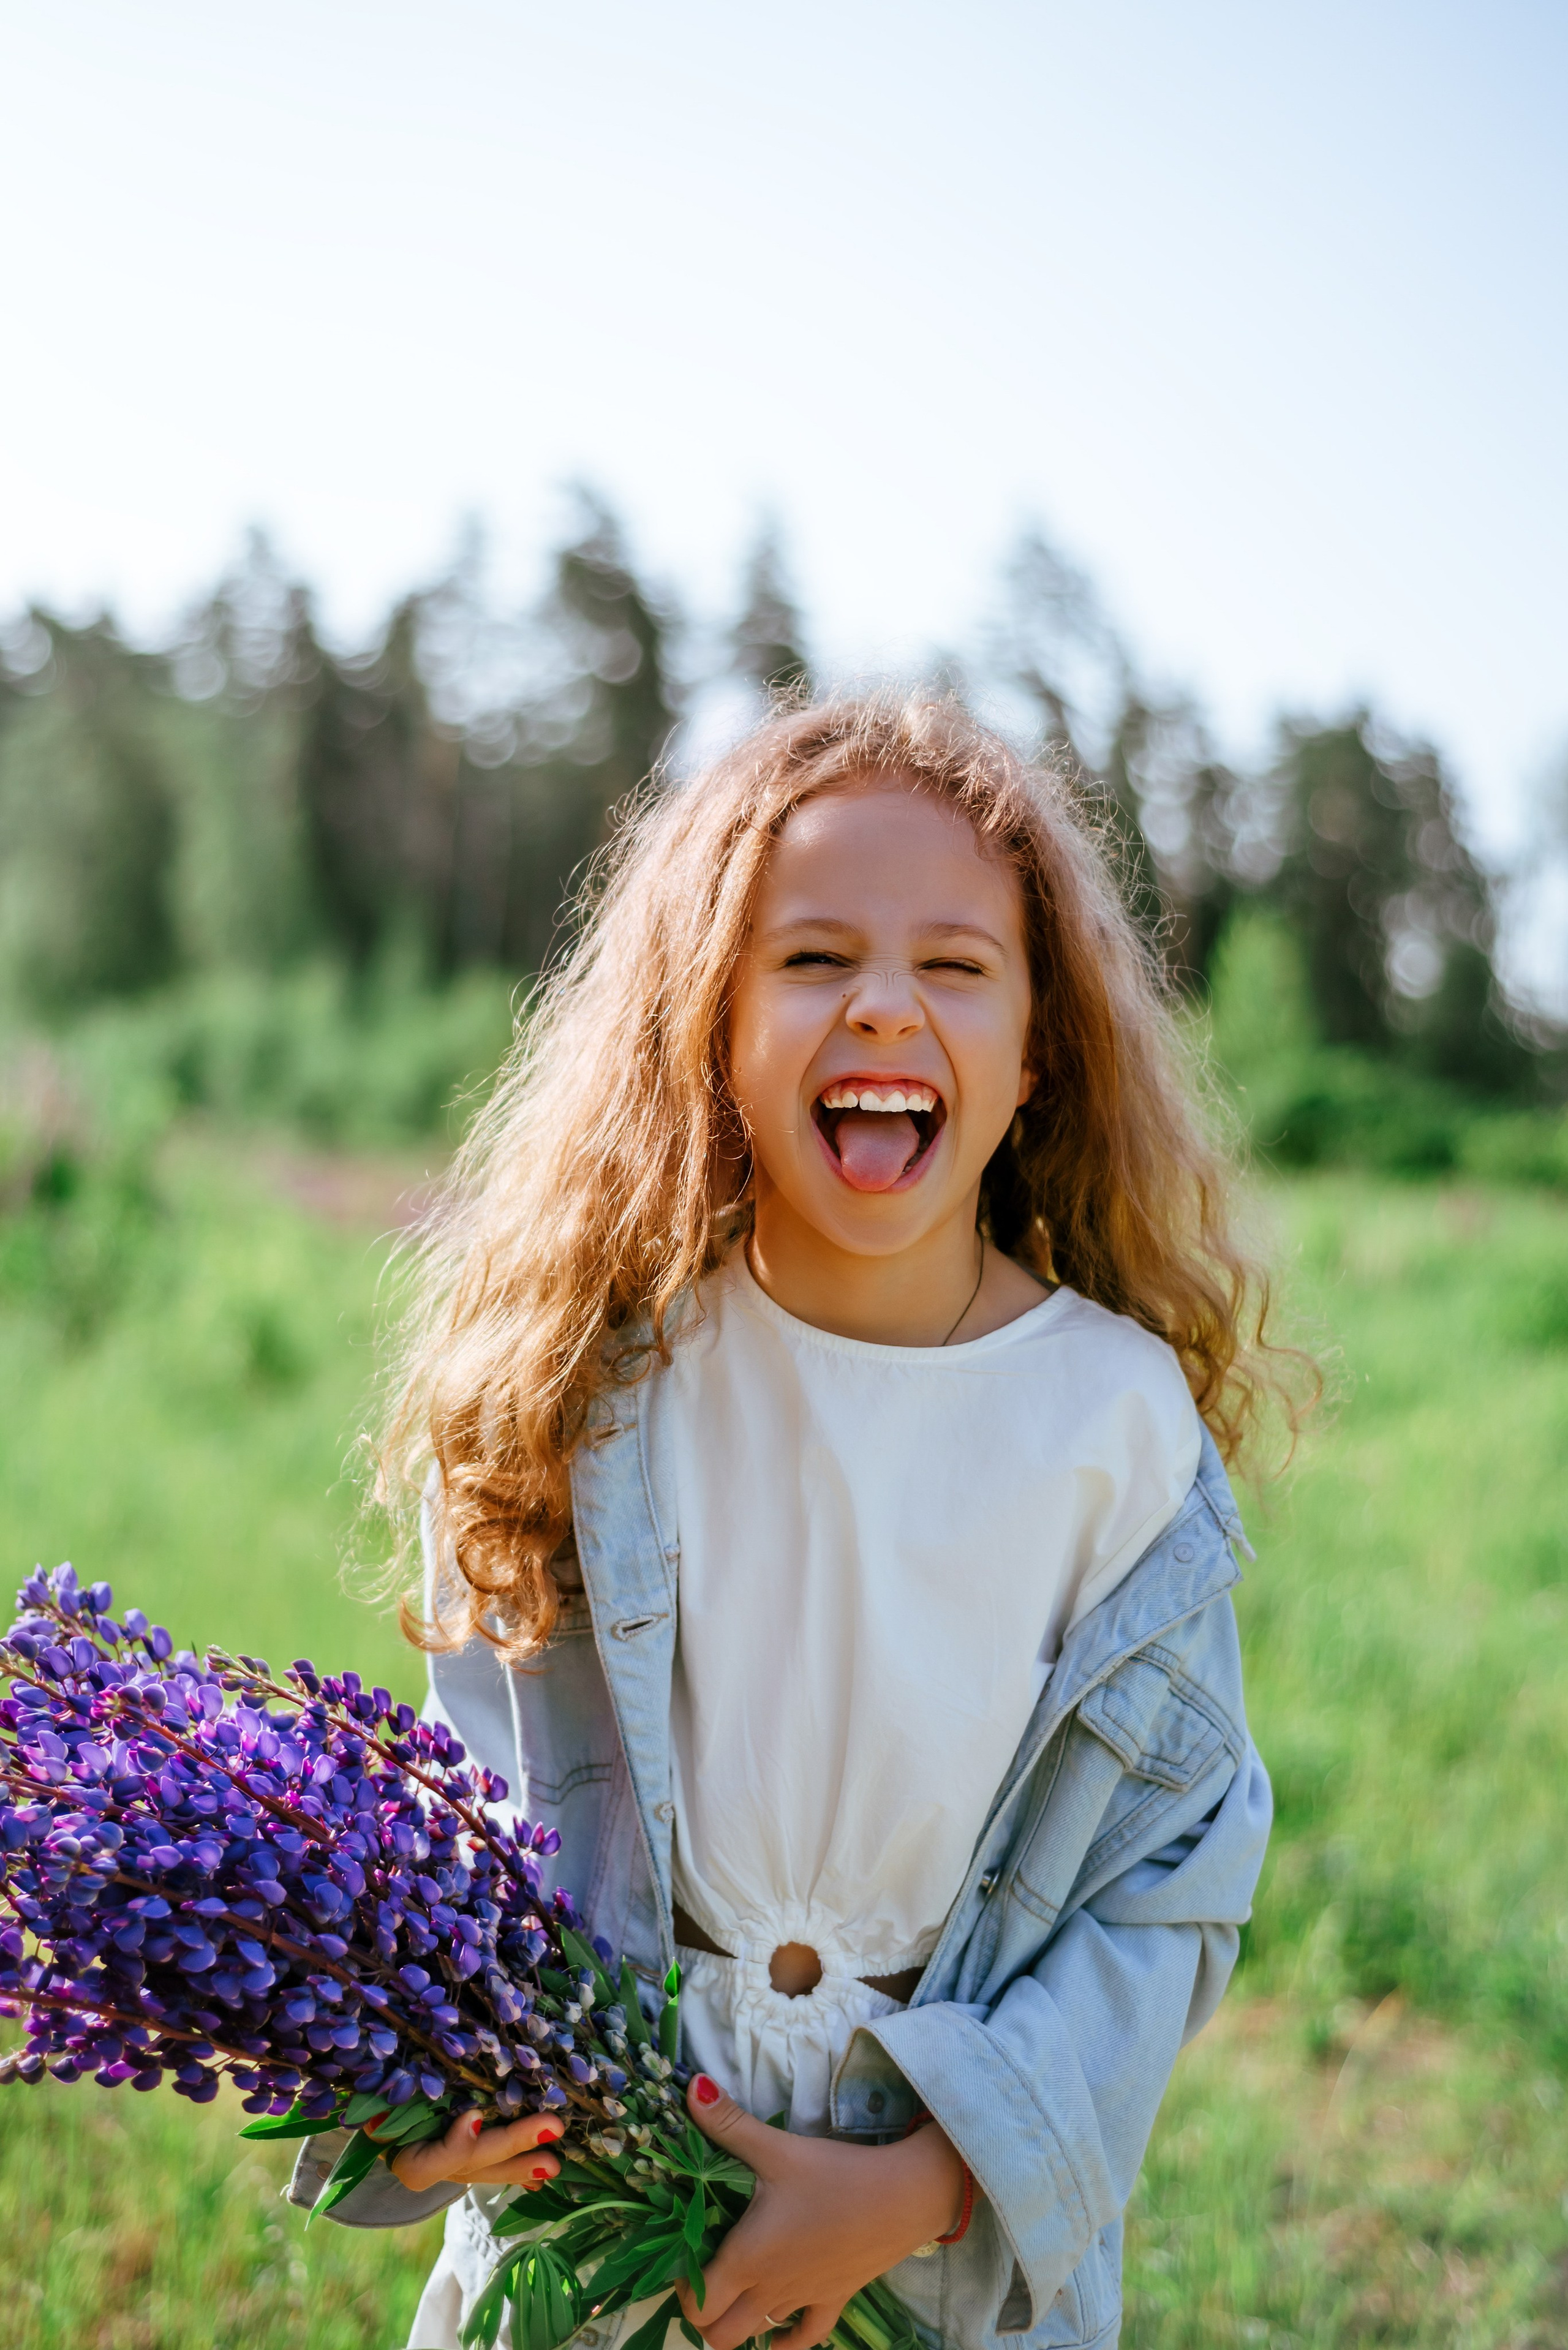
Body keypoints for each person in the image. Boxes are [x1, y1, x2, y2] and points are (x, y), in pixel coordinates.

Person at [293, 693, 1284, 2350]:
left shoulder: (1115, 1426)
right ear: (711, 1026)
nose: (887, 1005)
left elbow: (1168, 1890)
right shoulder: (603, 1396)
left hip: (937, 2255)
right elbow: (474, 1810)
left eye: (956, 967)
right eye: (814, 959)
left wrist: (928, 2181)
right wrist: (426, 2070)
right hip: (598, 2218)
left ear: (1036, 1049)